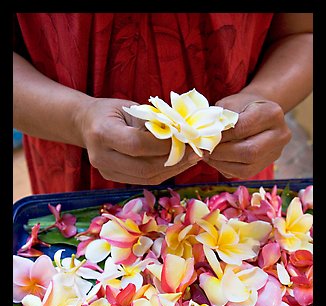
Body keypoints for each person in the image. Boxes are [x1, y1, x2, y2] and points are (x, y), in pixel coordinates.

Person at [13, 13, 313, 194]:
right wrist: (76, 119)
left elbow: (302, 33)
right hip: (75, 162)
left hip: (235, 162)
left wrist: (267, 95)